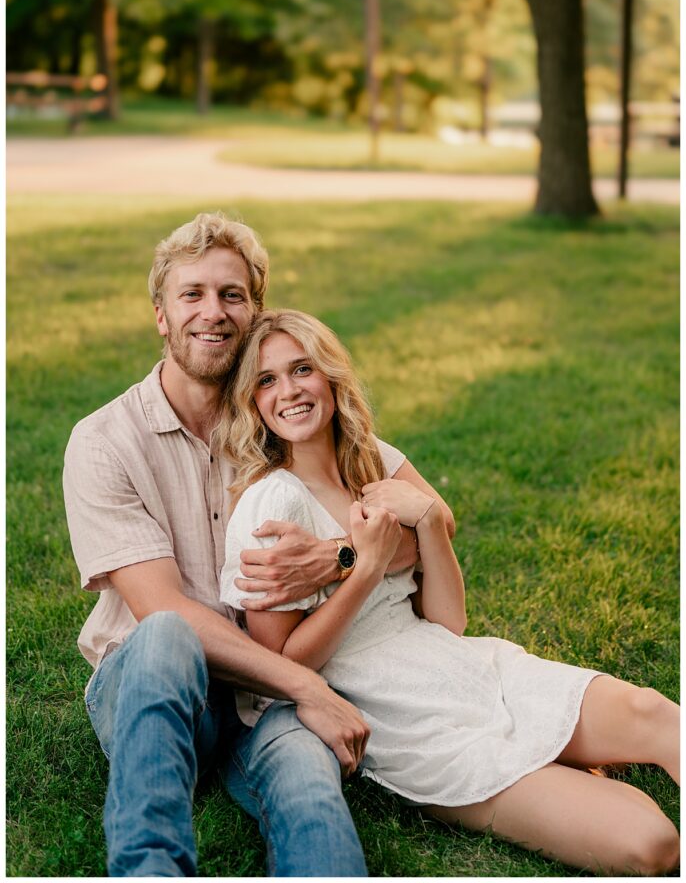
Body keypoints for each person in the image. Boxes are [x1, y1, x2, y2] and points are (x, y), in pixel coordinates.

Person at [220, 308, 680, 877]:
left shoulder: (374, 459)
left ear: (331, 377)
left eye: (302, 369)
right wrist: (365, 568)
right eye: (267, 381)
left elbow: (448, 621)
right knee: (650, 842)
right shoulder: (273, 502)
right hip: (400, 715)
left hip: (459, 664)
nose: (288, 391)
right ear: (253, 402)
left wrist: (431, 525)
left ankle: (564, 755)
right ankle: (559, 771)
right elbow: (282, 665)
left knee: (658, 714)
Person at [63, 212, 449, 877]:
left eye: (232, 295)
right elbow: (164, 610)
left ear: (255, 311)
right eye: (192, 295)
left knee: (308, 788)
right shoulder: (103, 442)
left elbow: (429, 518)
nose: (212, 312)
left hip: (265, 700)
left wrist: (341, 556)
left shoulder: (288, 416)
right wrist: (309, 686)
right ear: (161, 315)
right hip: (158, 689)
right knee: (163, 638)